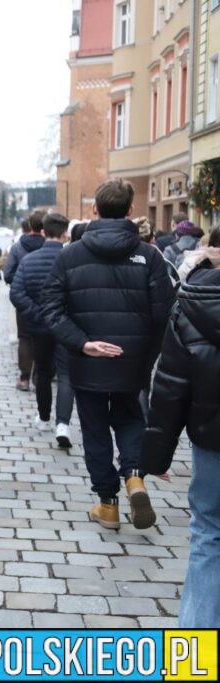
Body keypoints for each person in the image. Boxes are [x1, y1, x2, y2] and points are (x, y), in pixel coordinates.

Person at [42, 178, 175, 531]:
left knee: (95, 429)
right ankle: (134, 476)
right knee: (131, 417)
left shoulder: (70, 254)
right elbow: (165, 313)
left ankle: (108, 503)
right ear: (131, 211)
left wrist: (83, 343)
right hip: (131, 359)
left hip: (88, 360)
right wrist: (145, 353)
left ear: (94, 209)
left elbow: (51, 309)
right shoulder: (149, 256)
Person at [138, 258, 220, 627]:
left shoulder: (194, 301)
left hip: (213, 440)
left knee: (209, 537)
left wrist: (157, 456)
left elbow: (171, 385)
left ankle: (195, 651)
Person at [10, 212, 74, 447]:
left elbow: (17, 293)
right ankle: (63, 424)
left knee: (43, 372)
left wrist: (38, 314)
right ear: (65, 233)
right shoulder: (72, 258)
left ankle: (44, 417)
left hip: (39, 327)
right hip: (66, 325)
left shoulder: (29, 260)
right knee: (66, 375)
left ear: (43, 232)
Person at [4, 213, 46, 392]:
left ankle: (24, 378)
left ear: (30, 224)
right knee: (45, 338)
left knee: (25, 338)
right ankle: (39, 375)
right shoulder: (52, 246)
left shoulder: (18, 247)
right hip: (47, 300)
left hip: (24, 300)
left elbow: (7, 274)